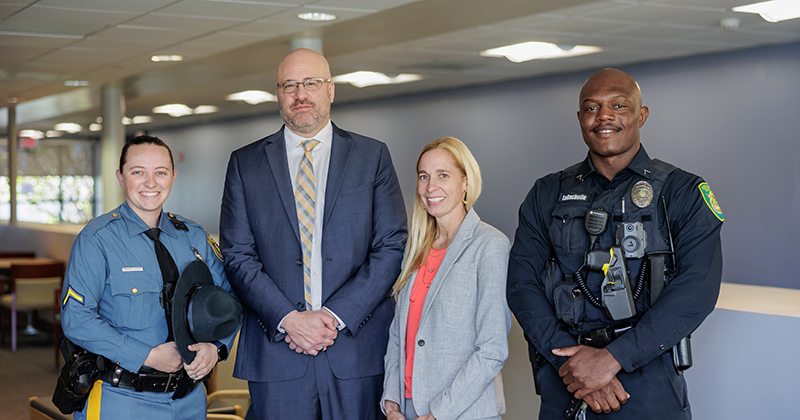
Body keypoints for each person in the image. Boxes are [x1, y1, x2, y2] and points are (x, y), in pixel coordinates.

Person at [507, 68, 723, 419]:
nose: (604, 116)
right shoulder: (547, 193)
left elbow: (697, 288)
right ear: (580, 118)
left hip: (648, 377)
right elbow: (521, 284)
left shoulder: (682, 191)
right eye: (591, 108)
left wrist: (613, 360)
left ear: (641, 115)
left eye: (618, 105)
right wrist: (574, 362)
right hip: (566, 375)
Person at [219, 48, 408, 420]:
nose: (300, 94)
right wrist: (289, 319)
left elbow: (391, 246)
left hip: (356, 350)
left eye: (311, 83)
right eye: (289, 85)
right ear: (278, 93)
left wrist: (333, 317)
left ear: (331, 90)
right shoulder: (246, 163)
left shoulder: (372, 156)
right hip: (277, 353)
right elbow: (238, 254)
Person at [61, 135, 239, 419]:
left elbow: (231, 299)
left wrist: (216, 348)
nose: (151, 182)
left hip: (189, 400)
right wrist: (147, 356)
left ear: (173, 176)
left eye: (160, 172)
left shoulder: (194, 236)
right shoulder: (97, 239)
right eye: (138, 172)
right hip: (121, 400)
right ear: (121, 177)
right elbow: (77, 319)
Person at [382, 137, 512, 420]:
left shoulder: (490, 245)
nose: (431, 187)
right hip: (407, 409)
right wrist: (391, 400)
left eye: (443, 175)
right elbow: (398, 335)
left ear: (466, 181)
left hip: (461, 412)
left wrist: (437, 414)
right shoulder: (415, 250)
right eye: (424, 176)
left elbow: (492, 349)